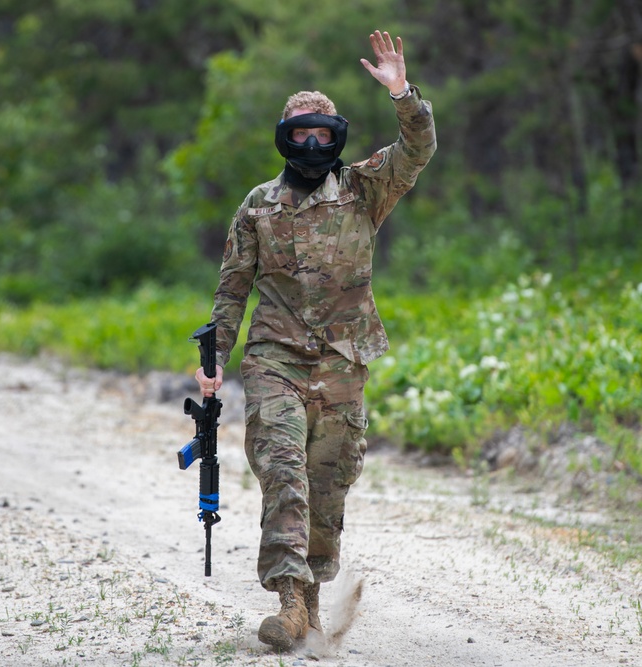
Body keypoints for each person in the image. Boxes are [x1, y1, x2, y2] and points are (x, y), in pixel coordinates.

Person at [195, 30, 436, 651]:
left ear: (336, 137)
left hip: (342, 363)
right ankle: (288, 598)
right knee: (284, 473)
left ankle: (311, 597)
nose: (311, 144)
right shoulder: (257, 207)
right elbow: (231, 290)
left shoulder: (363, 190)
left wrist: (402, 93)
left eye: (321, 134)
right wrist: (213, 361)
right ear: (284, 136)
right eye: (300, 133)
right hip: (274, 360)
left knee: (328, 488)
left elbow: (418, 149)